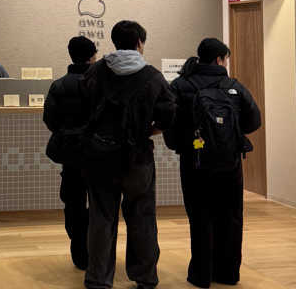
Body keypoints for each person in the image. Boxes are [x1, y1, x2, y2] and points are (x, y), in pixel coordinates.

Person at [79, 21, 176, 289]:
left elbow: (83, 109)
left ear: (114, 41)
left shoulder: (95, 72)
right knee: (142, 217)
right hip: (138, 158)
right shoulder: (152, 76)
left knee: (101, 218)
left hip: (100, 156)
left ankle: (98, 279)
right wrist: (148, 130)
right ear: (140, 43)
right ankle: (145, 277)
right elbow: (169, 114)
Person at [163, 38, 261, 288]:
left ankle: (201, 275)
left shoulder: (181, 85)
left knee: (200, 217)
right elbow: (254, 120)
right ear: (219, 59)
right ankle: (228, 273)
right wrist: (229, 136)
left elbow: (169, 123)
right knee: (230, 216)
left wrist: (183, 145)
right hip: (230, 162)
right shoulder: (233, 86)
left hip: (194, 161)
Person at [44, 36, 98, 270]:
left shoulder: (59, 85)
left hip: (70, 153)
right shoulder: (101, 84)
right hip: (97, 152)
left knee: (73, 201)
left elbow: (50, 119)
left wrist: (67, 133)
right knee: (99, 202)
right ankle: (97, 251)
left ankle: (79, 250)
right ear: (92, 56)